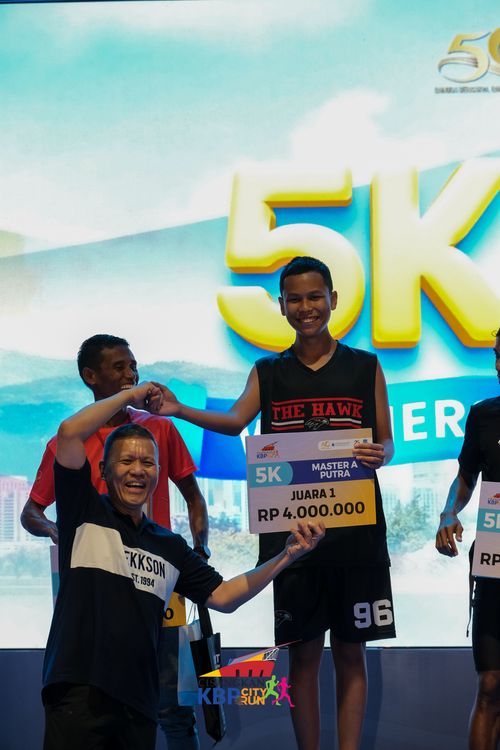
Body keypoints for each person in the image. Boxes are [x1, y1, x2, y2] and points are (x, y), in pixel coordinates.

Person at [154, 256, 396, 750]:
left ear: (333, 299)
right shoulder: (268, 371)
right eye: (295, 299)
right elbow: (234, 422)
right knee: (301, 657)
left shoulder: (366, 366)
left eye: (315, 296)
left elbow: (386, 441)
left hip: (356, 536)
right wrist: (178, 409)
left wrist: (382, 453)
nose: (306, 307)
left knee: (352, 654)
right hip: (293, 541)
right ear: (282, 306)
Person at [43, 380, 324, 750]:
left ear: (158, 472)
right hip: (79, 692)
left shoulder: (168, 545)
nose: (138, 470)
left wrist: (288, 555)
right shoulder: (83, 512)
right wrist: (128, 396)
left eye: (148, 462)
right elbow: (69, 432)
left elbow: (224, 596)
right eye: (126, 461)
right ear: (104, 470)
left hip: (139, 702)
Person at [21, 334, 210, 750]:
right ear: (90, 376)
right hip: (97, 593)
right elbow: (31, 512)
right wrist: (58, 531)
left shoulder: (159, 429)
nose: (131, 374)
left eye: (133, 366)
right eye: (119, 367)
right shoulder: (67, 443)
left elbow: (194, 497)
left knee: (174, 707)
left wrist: (199, 552)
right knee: (96, 701)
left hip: (157, 583)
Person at [436, 327, 500, 750]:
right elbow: (466, 477)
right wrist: (448, 512)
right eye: (497, 355)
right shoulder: (483, 415)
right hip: (495, 565)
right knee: (490, 685)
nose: (499, 365)